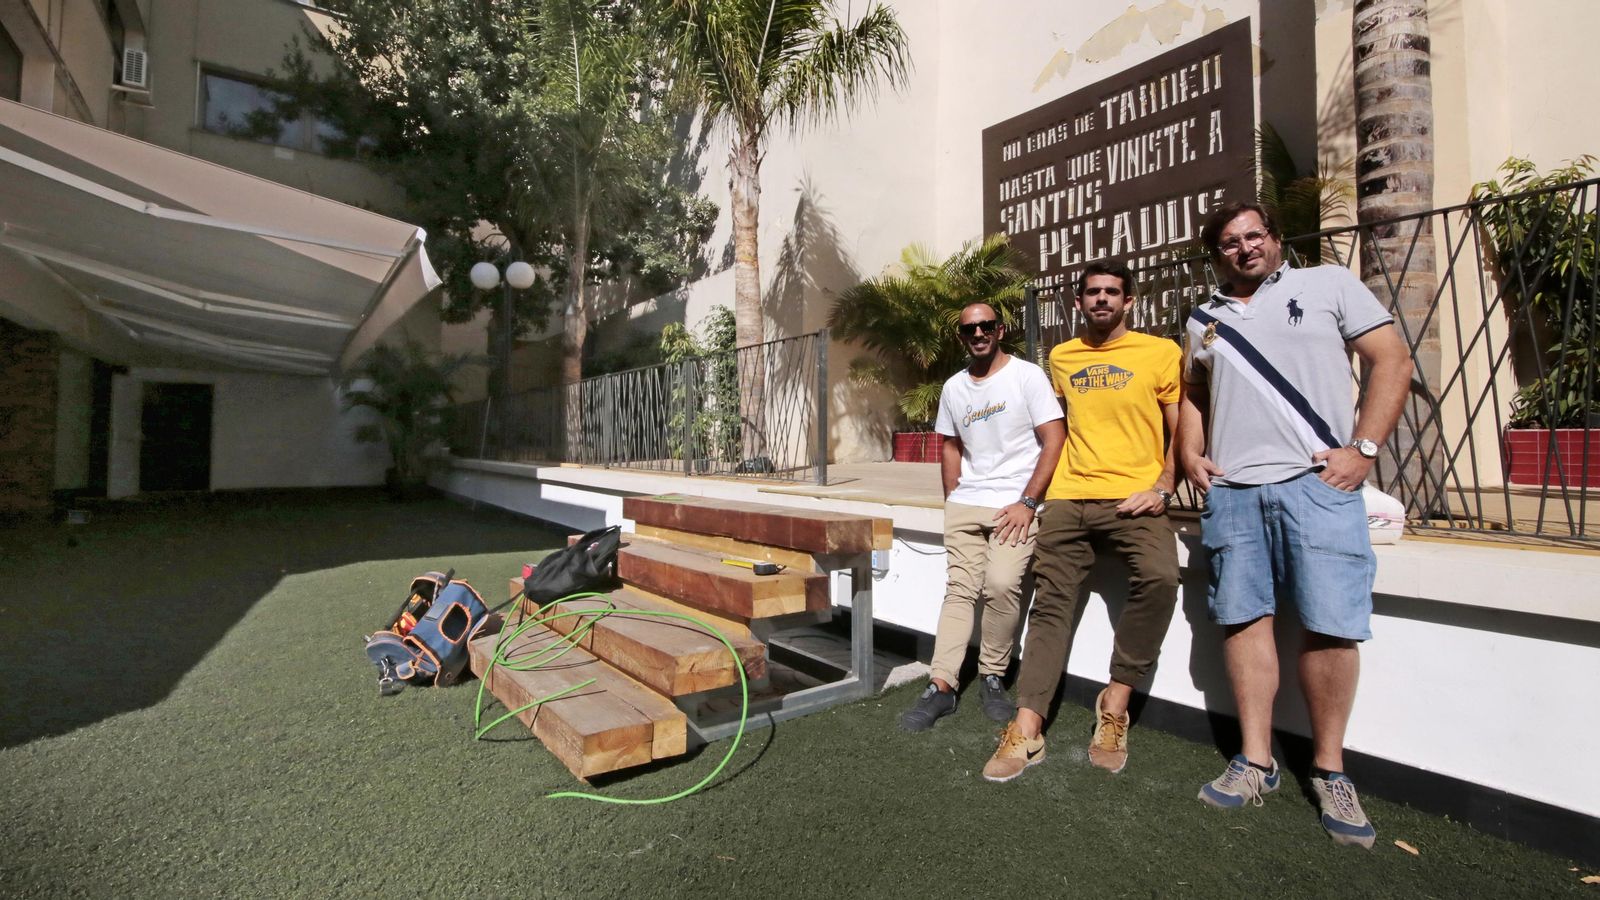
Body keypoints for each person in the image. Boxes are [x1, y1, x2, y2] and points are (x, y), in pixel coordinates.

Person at [1179, 202, 1413, 849]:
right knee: (1243, 619)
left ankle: (1331, 771)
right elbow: (1192, 392)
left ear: (1277, 240)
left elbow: (1391, 360)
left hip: (1319, 485)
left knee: (1331, 626)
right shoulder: (1202, 319)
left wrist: (1362, 450)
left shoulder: (1329, 285)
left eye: (1256, 235)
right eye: (1230, 241)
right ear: (1216, 253)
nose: (1245, 248)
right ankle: (1256, 762)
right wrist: (1189, 452)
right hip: (1234, 494)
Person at [981, 260, 1182, 781]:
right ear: (1078, 302)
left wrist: (1163, 487)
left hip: (1134, 496)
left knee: (1161, 578)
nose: (1102, 300)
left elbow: (1181, 429)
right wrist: (1031, 496)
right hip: (1069, 496)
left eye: (1112, 292)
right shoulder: (1063, 358)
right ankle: (1027, 726)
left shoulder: (1161, 353)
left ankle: (1115, 701)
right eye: (1092, 292)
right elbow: (1058, 429)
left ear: (1129, 301)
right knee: (1051, 603)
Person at [899, 303, 1066, 730]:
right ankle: (942, 684)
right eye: (969, 328)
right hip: (966, 504)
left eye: (986, 326)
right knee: (959, 590)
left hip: (1015, 505)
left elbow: (1054, 438)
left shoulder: (1027, 376)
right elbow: (950, 444)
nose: (978, 333)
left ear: (1000, 329)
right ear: (962, 337)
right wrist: (952, 495)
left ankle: (993, 674)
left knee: (1002, 584)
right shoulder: (954, 387)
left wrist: (1028, 502)